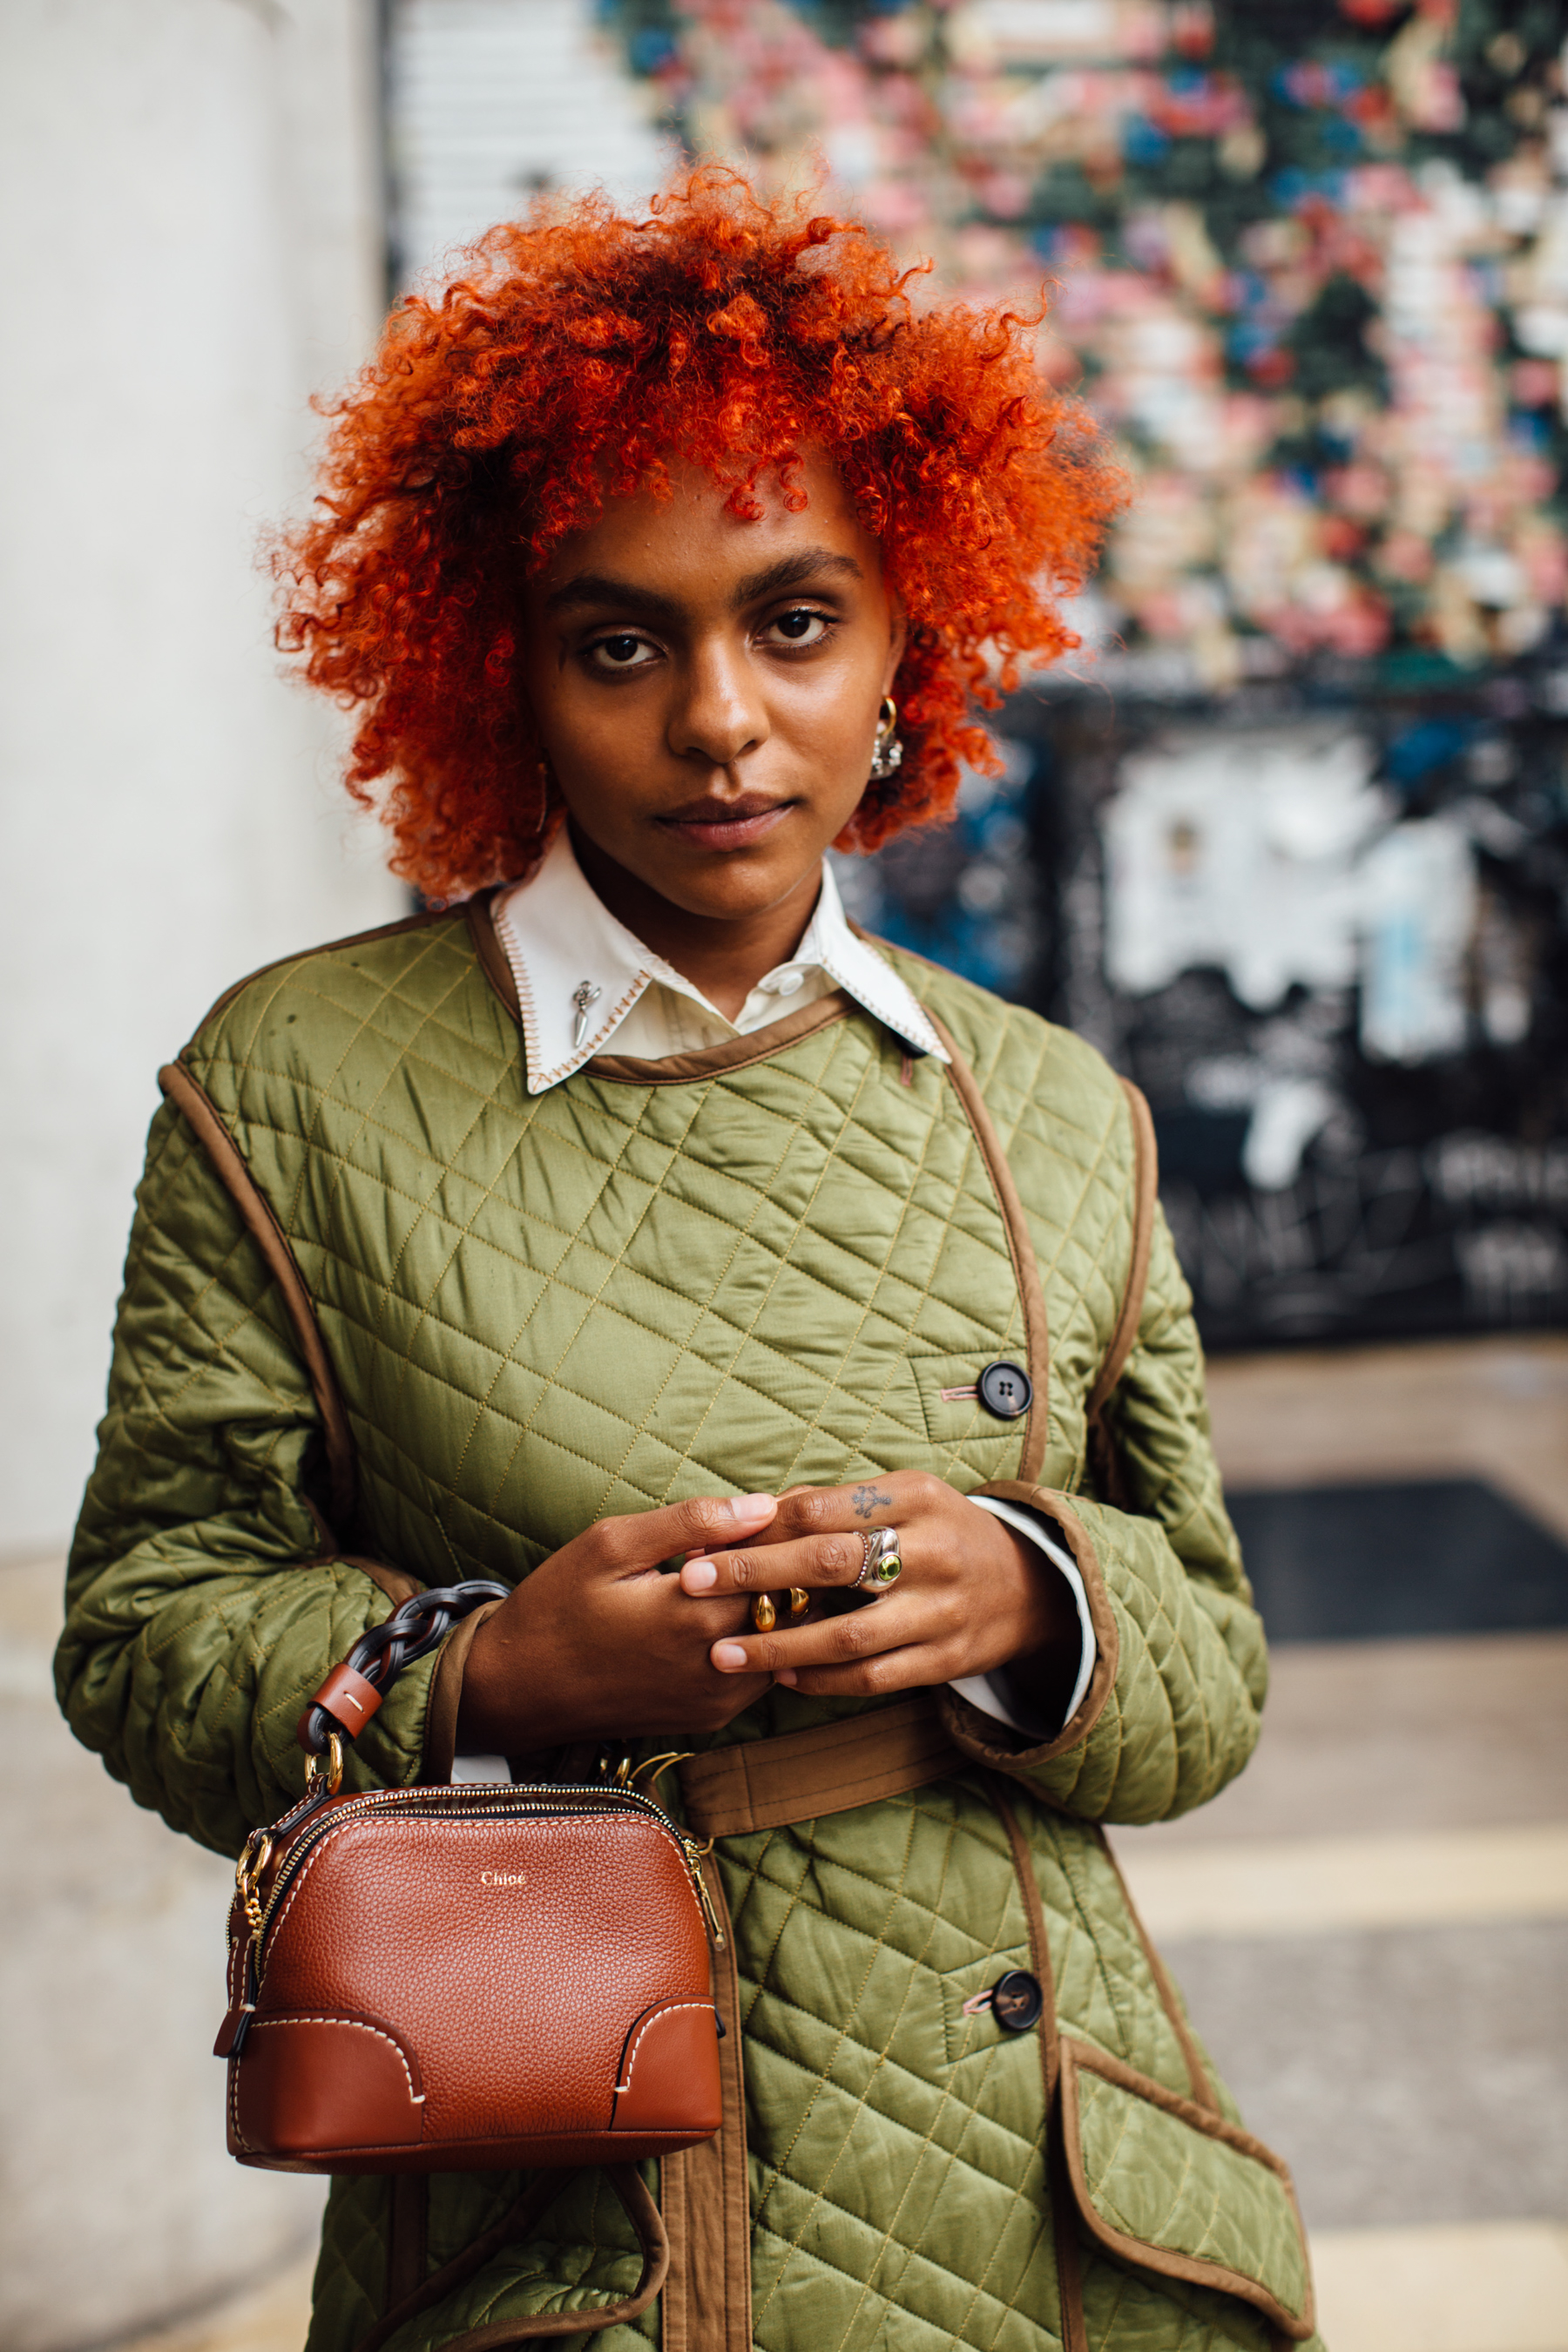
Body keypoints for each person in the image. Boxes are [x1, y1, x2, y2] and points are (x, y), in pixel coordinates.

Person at [58, 170, 1320, 2352]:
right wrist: (493, 1677)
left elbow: (1205, 1662)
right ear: (502, 669)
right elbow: (147, 1634)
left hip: (1053, 2194)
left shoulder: (1052, 1115)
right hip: (572, 2201)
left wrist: (1036, 1595)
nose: (720, 718)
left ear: (916, 633)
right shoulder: (292, 1089)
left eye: (797, 620)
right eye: (620, 641)